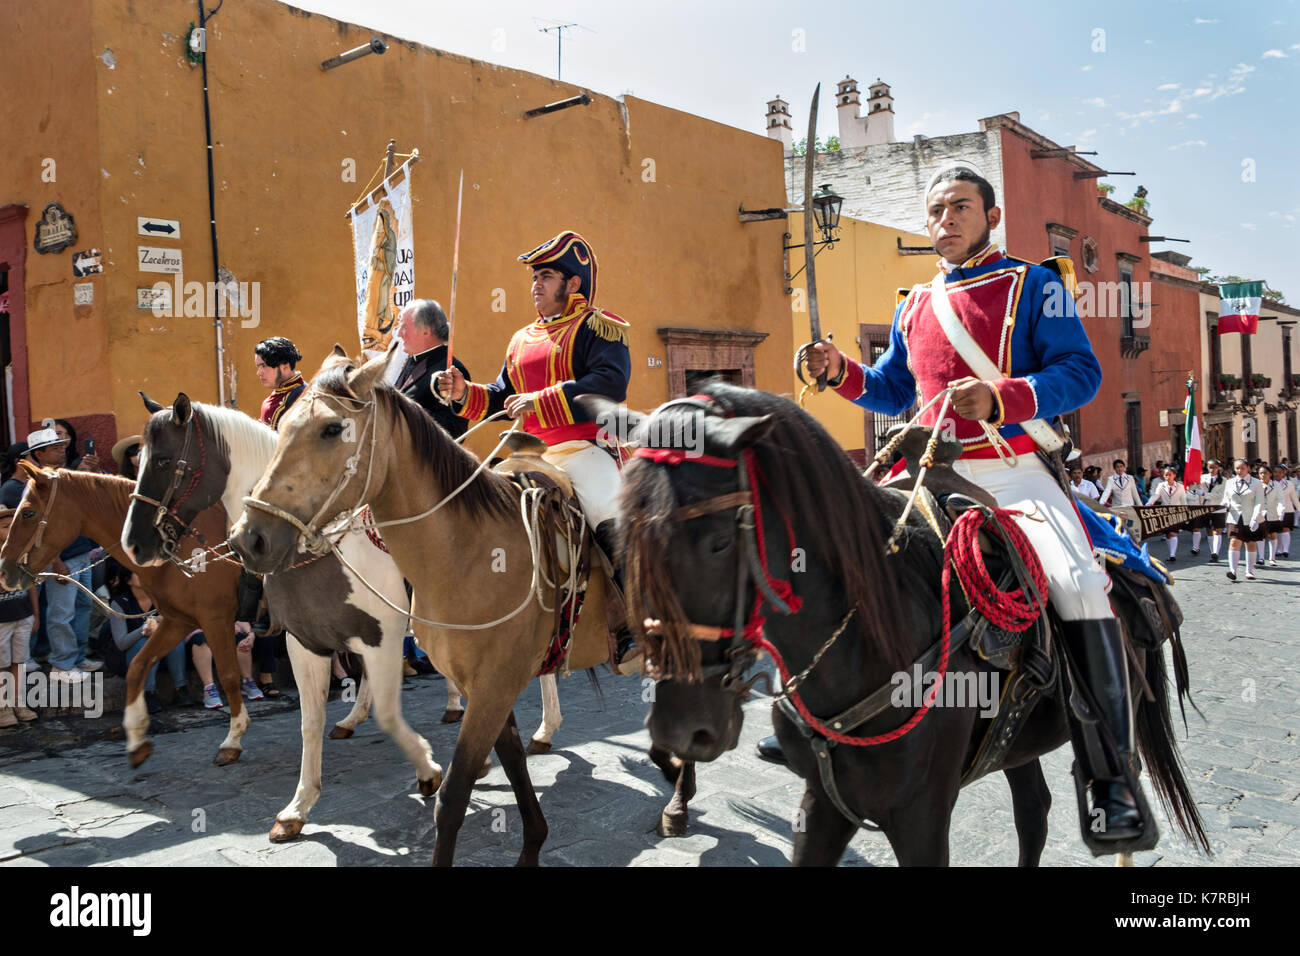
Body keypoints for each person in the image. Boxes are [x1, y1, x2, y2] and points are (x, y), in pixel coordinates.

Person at [800, 164, 1144, 843]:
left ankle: (1111, 775)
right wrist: (842, 374)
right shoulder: (914, 304)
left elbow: (1082, 373)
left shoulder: (1034, 284)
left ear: (990, 216)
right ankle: (818, 729)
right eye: (935, 211)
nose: (945, 221)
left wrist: (1001, 397)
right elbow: (896, 390)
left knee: (1079, 586)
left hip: (1011, 473)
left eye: (960, 207)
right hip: (922, 477)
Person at [432, 230, 640, 673]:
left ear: (574, 284)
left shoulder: (600, 328)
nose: (535, 286)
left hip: (581, 448)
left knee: (608, 513)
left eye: (546, 277)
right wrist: (461, 391)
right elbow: (498, 398)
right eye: (535, 278)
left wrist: (542, 399)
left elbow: (609, 383)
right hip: (527, 451)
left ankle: (636, 625)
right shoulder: (521, 339)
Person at [11, 428, 101, 683]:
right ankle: (62, 663)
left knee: (83, 607)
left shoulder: (64, 477)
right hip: (61, 556)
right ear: (38, 454)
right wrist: (56, 561)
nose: (62, 449)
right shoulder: (36, 485)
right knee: (62, 612)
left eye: (61, 446)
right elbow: (38, 529)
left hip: (82, 551)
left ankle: (78, 656)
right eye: (54, 447)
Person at [106, 563, 189, 713]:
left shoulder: (159, 598)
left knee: (173, 641)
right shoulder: (118, 603)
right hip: (128, 657)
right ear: (128, 580)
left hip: (159, 656)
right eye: (140, 573)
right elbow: (121, 643)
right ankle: (147, 692)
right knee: (146, 641)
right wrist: (144, 629)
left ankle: (181, 688)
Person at [392, 299, 471, 438]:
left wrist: (407, 409)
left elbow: (454, 430)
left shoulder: (449, 370)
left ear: (425, 331)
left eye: (404, 327)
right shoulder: (411, 361)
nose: (398, 333)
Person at [0, 506, 39, 727]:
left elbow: (30, 585)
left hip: (23, 615)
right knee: (2, 664)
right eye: (5, 527)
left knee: (19, 661)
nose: (11, 530)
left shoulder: (21, 554)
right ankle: (3, 707)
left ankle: (19, 703)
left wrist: (35, 615)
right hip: (2, 620)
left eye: (13, 526)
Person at [1222, 459, 1264, 581]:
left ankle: (1249, 571)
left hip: (1251, 517)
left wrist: (1255, 518)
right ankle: (1233, 571)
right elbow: (1226, 498)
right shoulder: (1229, 482)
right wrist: (1224, 504)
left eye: (1242, 468)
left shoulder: (1256, 483)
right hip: (1234, 517)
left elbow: (1259, 502)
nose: (1239, 471)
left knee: (1250, 543)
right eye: (1237, 468)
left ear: (1248, 469)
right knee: (1234, 542)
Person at [255, 337, 308, 430]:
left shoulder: (303, 397)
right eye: (258, 366)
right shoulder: (281, 391)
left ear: (285, 367)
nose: (259, 373)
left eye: (264, 366)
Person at [1146, 466, 1186, 562]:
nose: (1167, 477)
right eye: (1165, 475)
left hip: (1176, 512)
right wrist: (1150, 503)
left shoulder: (1180, 486)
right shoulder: (1161, 485)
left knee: (1173, 533)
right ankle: (1171, 552)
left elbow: (1183, 500)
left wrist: (1185, 512)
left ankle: (1173, 554)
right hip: (1165, 512)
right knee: (1168, 534)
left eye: (1169, 474)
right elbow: (1156, 495)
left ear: (1174, 475)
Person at [1198, 459, 1228, 561]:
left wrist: (1204, 494)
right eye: (1210, 467)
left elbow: (1220, 495)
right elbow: (1195, 487)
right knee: (1209, 530)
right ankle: (1212, 552)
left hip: (1218, 508)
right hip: (1206, 507)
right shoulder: (1203, 478)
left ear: (1218, 468)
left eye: (1214, 467)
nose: (1212, 469)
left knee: (1217, 530)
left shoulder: (1224, 480)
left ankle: (1216, 552)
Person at [1257, 466, 1284, 567]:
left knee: (1272, 535)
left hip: (1273, 513)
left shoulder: (1276, 485)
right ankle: (1261, 557)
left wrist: (1280, 510)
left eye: (1265, 473)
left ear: (1270, 474)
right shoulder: (1256, 484)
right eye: (1261, 473)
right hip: (1260, 513)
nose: (1263, 475)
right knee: (1260, 535)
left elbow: (1281, 499)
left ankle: (1272, 558)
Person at [1271, 464, 1297, 557]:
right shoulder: (1270, 484)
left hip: (1287, 509)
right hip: (1274, 510)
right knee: (1278, 530)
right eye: (1275, 472)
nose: (1277, 474)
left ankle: (1286, 549)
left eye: (1279, 472)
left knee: (1285, 529)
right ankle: (1279, 549)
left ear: (1283, 473)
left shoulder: (1289, 484)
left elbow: (1294, 498)